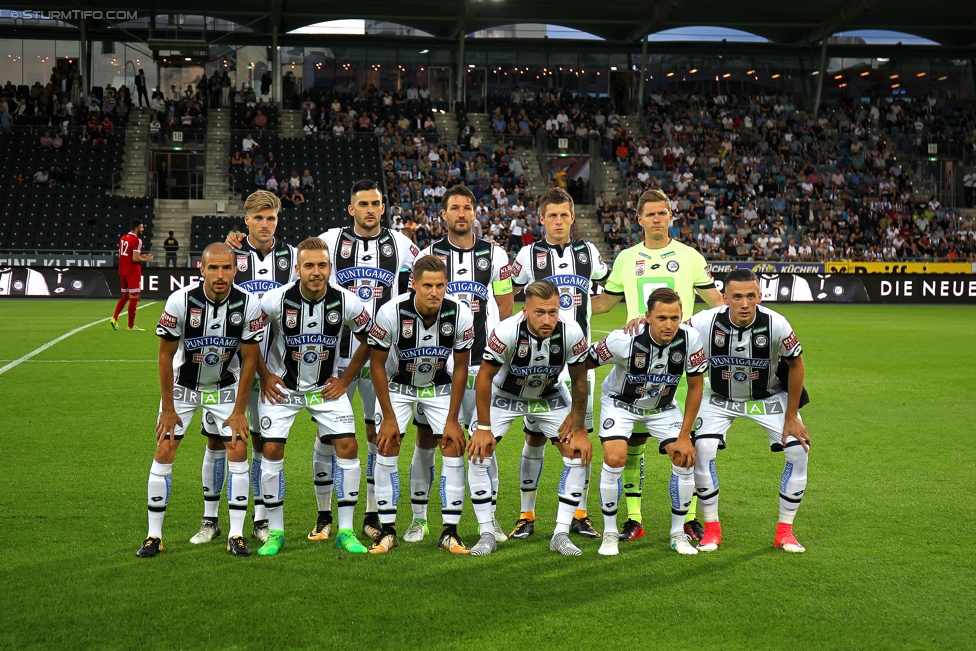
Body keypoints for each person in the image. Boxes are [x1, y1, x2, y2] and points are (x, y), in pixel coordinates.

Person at [229, 179, 419, 542]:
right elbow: (300, 251)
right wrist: (236, 241)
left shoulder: (401, 243)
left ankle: (372, 515)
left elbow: (430, 268)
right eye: (362, 203)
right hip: (325, 362)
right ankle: (314, 516)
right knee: (319, 437)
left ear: (383, 207)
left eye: (375, 203)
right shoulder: (331, 240)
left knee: (373, 435)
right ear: (351, 209)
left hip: (380, 357)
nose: (369, 209)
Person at [591, 188, 724, 544]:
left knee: (687, 443)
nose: (656, 219)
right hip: (638, 361)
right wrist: (565, 304)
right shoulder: (626, 259)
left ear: (671, 216)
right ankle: (634, 518)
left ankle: (691, 519)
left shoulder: (691, 257)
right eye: (649, 214)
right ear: (639, 219)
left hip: (679, 363)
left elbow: (717, 303)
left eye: (662, 213)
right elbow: (604, 304)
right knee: (632, 444)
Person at [136, 243, 263, 558]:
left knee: (237, 446)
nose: (220, 275)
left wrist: (238, 411)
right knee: (165, 447)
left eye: (226, 268)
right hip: (185, 388)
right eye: (213, 268)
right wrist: (167, 408)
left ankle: (235, 533)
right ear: (201, 269)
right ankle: (154, 535)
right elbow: (165, 356)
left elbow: (250, 360)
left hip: (224, 386)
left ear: (235, 269)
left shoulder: (248, 304)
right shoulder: (180, 301)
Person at [254, 237, 375, 556]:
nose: (316, 271)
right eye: (309, 265)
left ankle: (346, 530)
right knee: (271, 448)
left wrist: (346, 378)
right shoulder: (276, 300)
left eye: (322, 265)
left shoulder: (346, 301)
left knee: (348, 446)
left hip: (326, 389)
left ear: (330, 268)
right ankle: (275, 532)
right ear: (297, 269)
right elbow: (248, 335)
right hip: (285, 387)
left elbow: (371, 339)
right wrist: (265, 375)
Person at [407, 185, 514, 545]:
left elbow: (506, 304)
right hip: (438, 364)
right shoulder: (429, 254)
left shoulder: (495, 255)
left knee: (485, 438)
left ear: (475, 214)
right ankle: (419, 518)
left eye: (467, 207)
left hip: (482, 363)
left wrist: (497, 352)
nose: (462, 213)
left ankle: (491, 517)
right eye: (455, 208)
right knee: (427, 438)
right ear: (444, 215)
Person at [509, 187, 610, 540]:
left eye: (564, 215)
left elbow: (608, 292)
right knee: (534, 437)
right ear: (541, 219)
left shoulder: (589, 253)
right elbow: (507, 292)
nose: (558, 221)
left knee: (582, 435)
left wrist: (588, 313)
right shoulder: (527, 254)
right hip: (539, 360)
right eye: (552, 215)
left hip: (578, 358)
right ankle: (526, 515)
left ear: (572, 218)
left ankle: (579, 514)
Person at [687, 268, 810, 553]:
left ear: (760, 296)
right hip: (719, 397)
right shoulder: (705, 321)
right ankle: (712, 530)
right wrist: (640, 324)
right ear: (725, 297)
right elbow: (670, 333)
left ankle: (785, 532)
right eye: (737, 296)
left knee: (798, 451)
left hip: (768, 397)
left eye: (750, 296)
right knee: (702, 452)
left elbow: (797, 364)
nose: (744, 303)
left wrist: (791, 416)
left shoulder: (776, 323)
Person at [467, 280, 591, 556]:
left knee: (578, 451)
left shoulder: (571, 331)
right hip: (505, 395)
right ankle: (486, 531)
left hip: (548, 396)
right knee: (479, 451)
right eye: (539, 313)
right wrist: (484, 427)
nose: (547, 320)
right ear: (525, 310)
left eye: (553, 312)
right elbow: (485, 377)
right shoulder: (507, 331)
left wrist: (579, 425)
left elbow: (580, 379)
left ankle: (560, 534)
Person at [366, 255, 476, 555]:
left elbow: (462, 368)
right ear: (413, 284)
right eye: (427, 285)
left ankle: (449, 532)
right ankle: (387, 532)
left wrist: (454, 419)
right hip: (398, 385)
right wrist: (388, 416)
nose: (434, 292)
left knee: (453, 444)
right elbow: (376, 365)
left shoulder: (461, 314)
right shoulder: (391, 312)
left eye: (440, 286)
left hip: (439, 385)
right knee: (387, 444)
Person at [586, 288, 706, 556]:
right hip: (621, 404)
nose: (669, 324)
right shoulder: (623, 339)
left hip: (662, 408)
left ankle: (678, 534)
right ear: (648, 316)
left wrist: (685, 435)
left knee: (685, 457)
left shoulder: (691, 339)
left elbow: (696, 386)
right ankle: (609, 534)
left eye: (674, 318)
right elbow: (583, 363)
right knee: (615, 458)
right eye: (662, 318)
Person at [210, 191, 297, 546]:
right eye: (259, 218)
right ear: (246, 220)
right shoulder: (230, 255)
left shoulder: (292, 258)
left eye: (271, 218)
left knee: (263, 440)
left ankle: (261, 517)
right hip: (229, 366)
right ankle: (209, 519)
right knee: (219, 440)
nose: (265, 224)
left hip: (273, 367)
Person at [111, 219, 154, 331]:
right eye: (141, 227)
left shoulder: (123, 238)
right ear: (136, 228)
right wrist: (146, 259)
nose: (143, 229)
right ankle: (130, 325)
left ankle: (114, 318)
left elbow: (122, 256)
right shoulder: (137, 240)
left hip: (123, 270)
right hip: (133, 272)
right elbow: (135, 258)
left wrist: (141, 257)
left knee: (125, 296)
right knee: (134, 297)